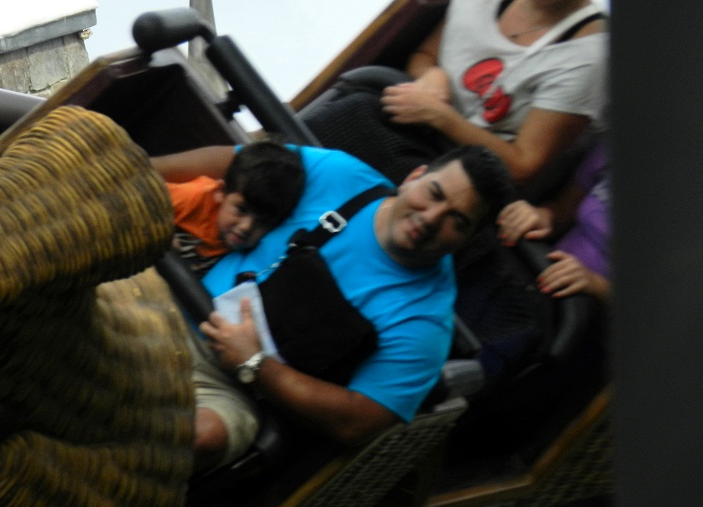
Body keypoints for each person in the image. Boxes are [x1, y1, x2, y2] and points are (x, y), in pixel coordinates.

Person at [153, 144, 515, 469]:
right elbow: (239, 162)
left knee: (201, 436)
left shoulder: (424, 322)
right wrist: (143, 168)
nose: (431, 218)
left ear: (468, 240)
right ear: (415, 177)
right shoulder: (339, 175)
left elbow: (358, 422)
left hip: (234, 388)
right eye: (433, 193)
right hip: (173, 303)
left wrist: (257, 365)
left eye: (457, 221)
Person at [379, 0, 608, 186]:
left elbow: (522, 167)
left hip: (474, 181)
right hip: (414, 133)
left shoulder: (589, 56)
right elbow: (424, 56)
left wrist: (440, 116)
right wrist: (432, 74)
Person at [167, 140, 305, 276]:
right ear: (221, 192)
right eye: (241, 209)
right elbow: (146, 202)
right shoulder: (193, 197)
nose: (246, 227)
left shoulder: (243, 254)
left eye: (262, 222)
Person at [496, 139, 610, 300]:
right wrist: (541, 216)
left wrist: (595, 283)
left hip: (590, 308)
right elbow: (565, 208)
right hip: (543, 269)